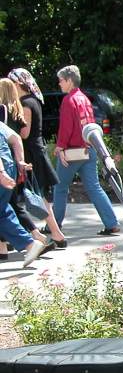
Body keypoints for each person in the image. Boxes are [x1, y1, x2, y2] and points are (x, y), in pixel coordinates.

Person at [52, 65, 120, 236]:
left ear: (69, 80)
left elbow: (66, 128)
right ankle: (111, 223)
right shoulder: (85, 98)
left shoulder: (69, 101)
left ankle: (54, 225)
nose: (59, 84)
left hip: (72, 152)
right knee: (94, 187)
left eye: (61, 80)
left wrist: (60, 147)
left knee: (60, 187)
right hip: (88, 149)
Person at [8, 68, 67, 248]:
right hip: (35, 152)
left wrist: (7, 130)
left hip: (32, 154)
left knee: (37, 197)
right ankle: (53, 234)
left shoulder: (26, 103)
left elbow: (24, 133)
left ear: (19, 84)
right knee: (35, 196)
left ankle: (55, 234)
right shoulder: (33, 101)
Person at [0, 121, 48, 267]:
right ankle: (29, 244)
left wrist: (1, 173)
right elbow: (15, 138)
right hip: (9, 165)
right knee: (2, 211)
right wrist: (20, 161)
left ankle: (29, 243)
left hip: (2, 168)